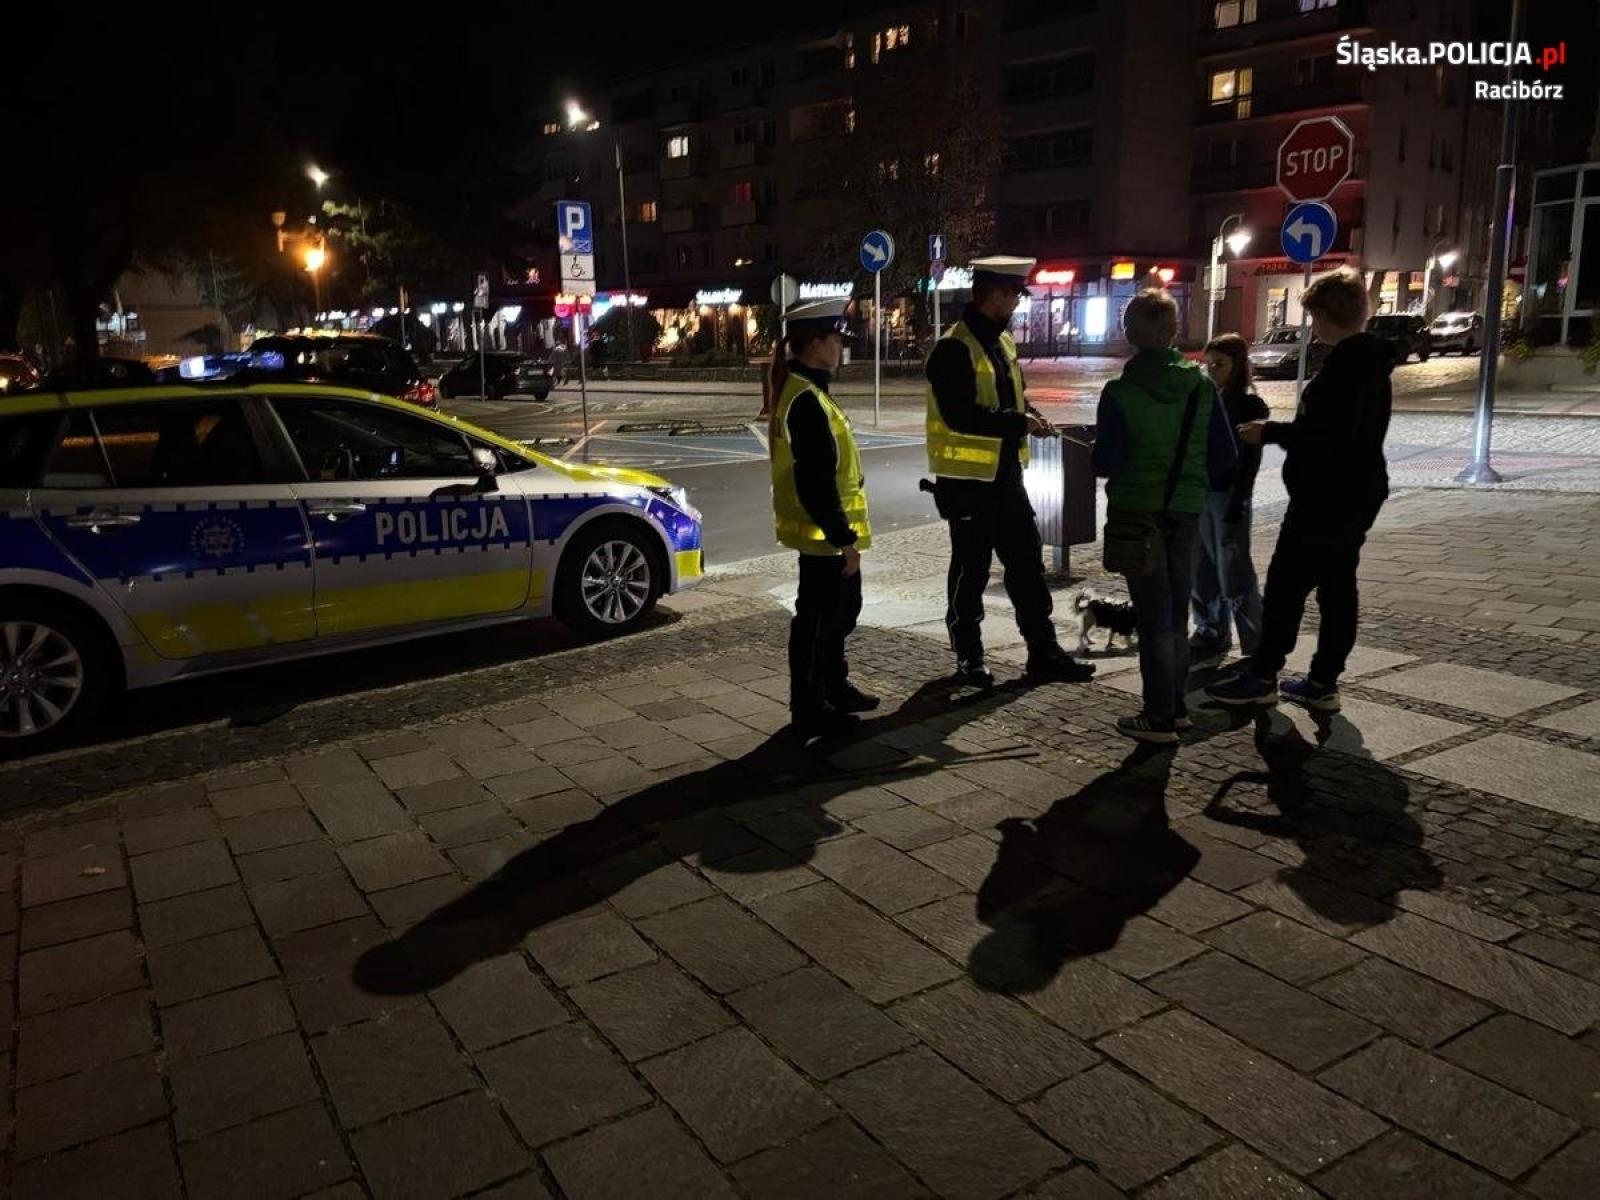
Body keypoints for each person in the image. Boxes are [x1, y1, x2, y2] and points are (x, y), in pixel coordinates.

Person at [1207, 266, 1393, 713]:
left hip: (1325, 497)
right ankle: (1323, 681)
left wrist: (1269, 432)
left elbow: (1326, 437)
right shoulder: (1371, 363)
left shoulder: (1346, 369)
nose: (1312, 326)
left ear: (1326, 315)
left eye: (1313, 316)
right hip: (1356, 491)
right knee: (1337, 588)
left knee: (1287, 588)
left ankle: (1263, 675)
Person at [924, 255, 1094, 689]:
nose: (1017, 303)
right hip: (967, 484)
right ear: (993, 295)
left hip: (1006, 479)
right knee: (971, 572)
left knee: (1027, 564)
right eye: (1014, 295)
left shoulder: (1002, 343)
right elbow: (961, 415)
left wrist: (1030, 415)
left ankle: (1043, 652)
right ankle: (969, 657)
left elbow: (1011, 399)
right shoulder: (953, 348)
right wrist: (1019, 423)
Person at [1093, 289, 1238, 743]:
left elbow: (1106, 463)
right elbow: (1224, 457)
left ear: (1128, 333)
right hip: (1186, 511)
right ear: (1174, 331)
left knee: (1153, 615)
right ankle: (1176, 708)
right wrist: (1190, 481)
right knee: (1176, 613)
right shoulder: (1202, 387)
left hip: (1137, 513)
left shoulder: (1119, 392)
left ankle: (1158, 717)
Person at [767, 297, 879, 735]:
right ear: (815, 344)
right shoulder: (806, 400)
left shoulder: (807, 391)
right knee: (819, 623)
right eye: (836, 339)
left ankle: (833, 687)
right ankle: (810, 707)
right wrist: (844, 540)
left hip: (824, 536)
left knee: (836, 617)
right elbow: (816, 481)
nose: (841, 347)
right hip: (824, 538)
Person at [1189, 334, 1269, 668]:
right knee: (1202, 567)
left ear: (1238, 365)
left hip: (1228, 496)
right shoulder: (1208, 398)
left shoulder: (1248, 404)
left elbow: (1249, 460)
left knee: (1234, 571)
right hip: (1202, 493)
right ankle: (1210, 628)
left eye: (1219, 365)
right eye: (1208, 365)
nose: (1212, 371)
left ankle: (1255, 644)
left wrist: (1239, 500)